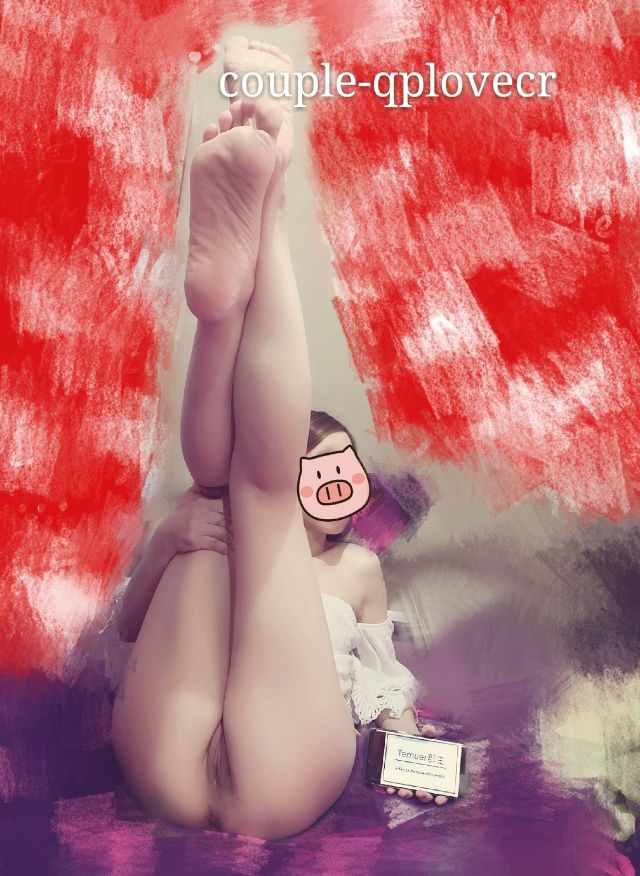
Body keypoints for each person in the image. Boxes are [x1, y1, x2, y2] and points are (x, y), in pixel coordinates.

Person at [110, 37, 446, 843]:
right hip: (211, 746)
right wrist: (168, 541)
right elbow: (127, 625)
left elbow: (386, 690)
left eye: (339, 472)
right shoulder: (225, 522)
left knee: (240, 491)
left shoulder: (359, 569)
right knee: (232, 495)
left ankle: (239, 271)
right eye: (313, 470)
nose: (329, 485)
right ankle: (250, 248)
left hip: (235, 759)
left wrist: (415, 748)